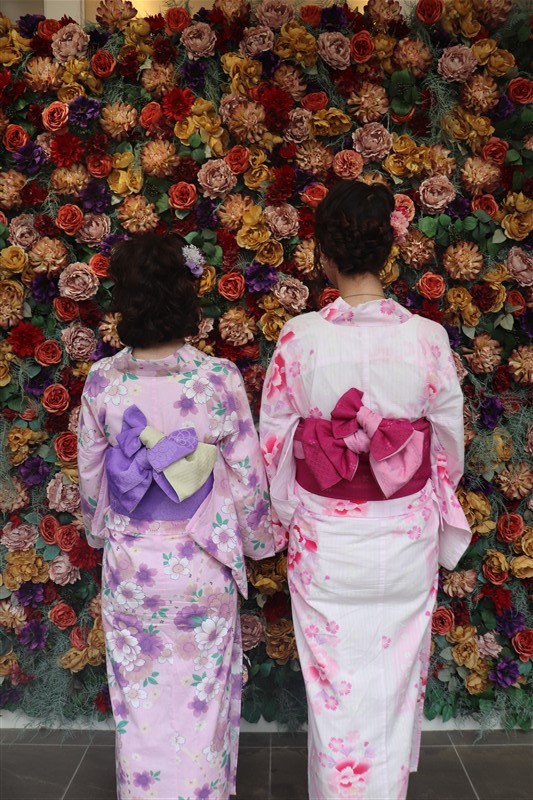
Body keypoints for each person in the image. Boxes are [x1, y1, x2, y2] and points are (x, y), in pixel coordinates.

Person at [259, 180, 472, 800]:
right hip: (403, 538)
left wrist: (288, 513)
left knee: (335, 694)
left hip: (327, 542)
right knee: (393, 684)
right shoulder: (426, 338)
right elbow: (448, 447)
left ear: (324, 253)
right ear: (388, 251)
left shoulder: (300, 337)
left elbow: (274, 443)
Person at [78, 233, 274, 800]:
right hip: (199, 561)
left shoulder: (104, 381)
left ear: (125, 300)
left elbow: (92, 479)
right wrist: (258, 540)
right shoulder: (216, 378)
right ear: (186, 296)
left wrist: (100, 531)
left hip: (133, 567)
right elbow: (246, 476)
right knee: (200, 698)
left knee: (139, 702)